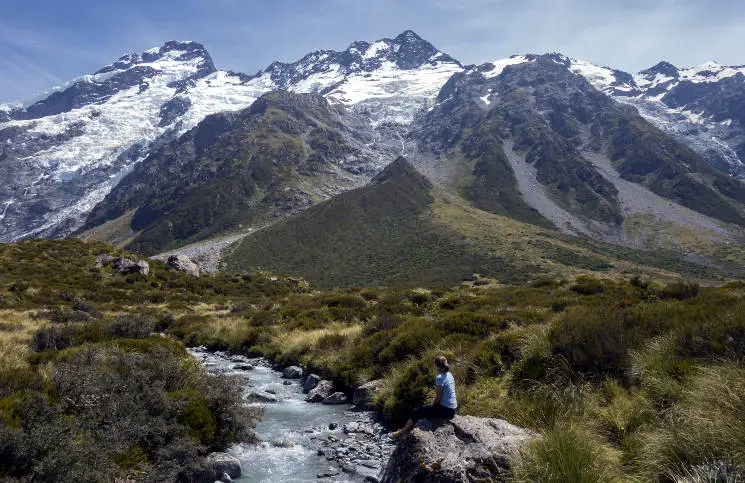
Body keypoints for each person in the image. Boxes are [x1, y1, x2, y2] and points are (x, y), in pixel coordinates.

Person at [388, 355, 458, 439]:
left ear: (436, 365)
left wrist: (433, 405)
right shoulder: (450, 375)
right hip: (453, 409)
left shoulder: (439, 378)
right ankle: (406, 432)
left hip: (445, 410)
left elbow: (438, 397)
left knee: (415, 411)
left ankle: (401, 433)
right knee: (424, 409)